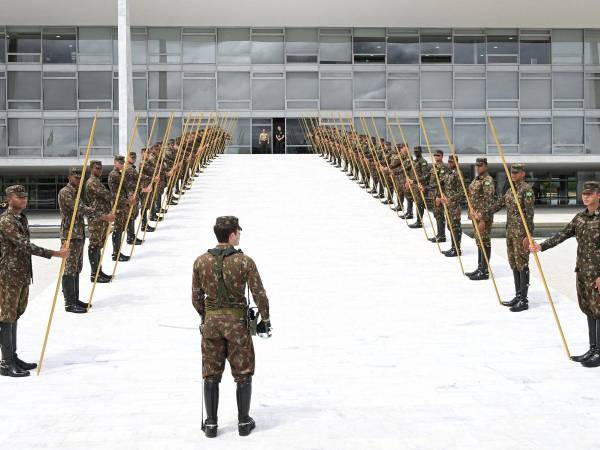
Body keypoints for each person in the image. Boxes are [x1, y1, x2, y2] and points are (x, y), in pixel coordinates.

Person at [192, 216, 272, 438]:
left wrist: (205, 316)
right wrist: (265, 319)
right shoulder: (244, 261)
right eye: (238, 231)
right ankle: (244, 422)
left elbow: (196, 296)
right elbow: (259, 294)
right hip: (237, 324)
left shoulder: (200, 261)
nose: (239, 235)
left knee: (211, 374)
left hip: (211, 324)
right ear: (231, 234)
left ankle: (210, 424)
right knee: (243, 373)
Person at [0, 185, 69, 377]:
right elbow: (24, 245)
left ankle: (12, 357)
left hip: (21, 274)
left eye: (25, 196)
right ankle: (6, 363)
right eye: (18, 197)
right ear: (9, 199)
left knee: (15, 314)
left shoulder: (21, 218)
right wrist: (55, 253)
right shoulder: (6, 221)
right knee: (7, 316)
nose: (23, 199)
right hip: (8, 276)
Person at [530, 181, 600, 367]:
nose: (586, 197)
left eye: (590, 194)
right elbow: (562, 235)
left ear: (598, 196)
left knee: (598, 312)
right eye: (584, 194)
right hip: (583, 272)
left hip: (598, 275)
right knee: (589, 310)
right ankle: (592, 349)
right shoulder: (580, 218)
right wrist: (541, 246)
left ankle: (599, 353)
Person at [58, 168, 114, 313]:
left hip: (78, 234)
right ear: (69, 177)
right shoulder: (66, 192)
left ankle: (75, 299)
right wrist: (104, 216)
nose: (77, 180)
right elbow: (81, 209)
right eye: (75, 177)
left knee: (77, 267)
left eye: (79, 178)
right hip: (70, 235)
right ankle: (69, 303)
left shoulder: (75, 192)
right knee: (70, 268)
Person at [489, 164, 535, 312]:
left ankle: (524, 300)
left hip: (521, 234)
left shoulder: (526, 190)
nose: (513, 175)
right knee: (514, 263)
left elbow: (529, 214)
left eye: (516, 172)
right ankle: (518, 295)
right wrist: (482, 213)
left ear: (523, 173)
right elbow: (499, 204)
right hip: (510, 232)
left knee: (522, 264)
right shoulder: (510, 190)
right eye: (512, 172)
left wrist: (528, 235)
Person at [466, 158, 495, 281]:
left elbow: (489, 201)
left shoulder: (488, 181)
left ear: (486, 166)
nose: (478, 167)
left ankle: (484, 271)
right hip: (475, 216)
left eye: (481, 165)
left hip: (483, 217)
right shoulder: (476, 179)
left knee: (484, 242)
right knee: (479, 242)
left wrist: (483, 219)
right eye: (477, 165)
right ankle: (480, 267)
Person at [84, 161, 113, 283]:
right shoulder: (92, 182)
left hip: (102, 219)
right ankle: (94, 274)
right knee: (94, 245)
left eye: (101, 168)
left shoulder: (97, 181)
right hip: (96, 219)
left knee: (99, 246)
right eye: (97, 168)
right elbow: (107, 195)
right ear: (91, 169)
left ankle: (98, 271)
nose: (99, 170)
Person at [439, 155, 465, 257]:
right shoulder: (448, 173)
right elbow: (443, 185)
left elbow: (462, 191)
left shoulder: (458, 174)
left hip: (455, 205)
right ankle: (453, 247)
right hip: (448, 205)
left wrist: (450, 199)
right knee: (450, 226)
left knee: (455, 227)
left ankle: (457, 249)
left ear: (456, 162)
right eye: (449, 161)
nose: (450, 163)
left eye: (452, 161)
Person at [108, 156, 133, 262]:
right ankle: (116, 253)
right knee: (118, 230)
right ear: (115, 162)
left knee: (120, 229)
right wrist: (127, 201)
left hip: (122, 205)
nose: (122, 164)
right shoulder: (114, 174)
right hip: (118, 205)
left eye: (123, 162)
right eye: (120, 162)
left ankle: (117, 252)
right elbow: (115, 194)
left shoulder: (119, 173)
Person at [426, 150, 448, 243]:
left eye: (438, 155)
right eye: (434, 155)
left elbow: (441, 182)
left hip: (438, 194)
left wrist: (438, 196)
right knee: (436, 214)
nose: (436, 157)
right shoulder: (434, 167)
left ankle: (442, 235)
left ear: (442, 156)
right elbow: (428, 177)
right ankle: (439, 234)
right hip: (432, 194)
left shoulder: (443, 167)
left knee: (439, 215)